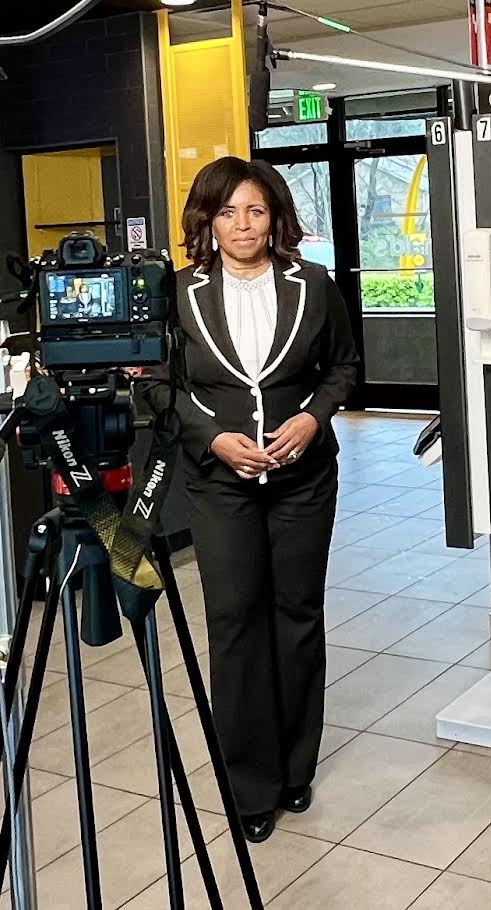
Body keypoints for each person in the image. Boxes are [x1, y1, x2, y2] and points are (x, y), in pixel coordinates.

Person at [139, 157, 359, 844]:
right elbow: (154, 384)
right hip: (219, 482)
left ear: (276, 218)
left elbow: (345, 366)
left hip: (303, 479)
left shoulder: (313, 285)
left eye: (255, 211)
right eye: (228, 211)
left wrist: (312, 418)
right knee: (235, 624)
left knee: (297, 615)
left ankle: (296, 769)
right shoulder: (176, 293)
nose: (242, 225)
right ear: (206, 219)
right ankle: (249, 785)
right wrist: (213, 437)